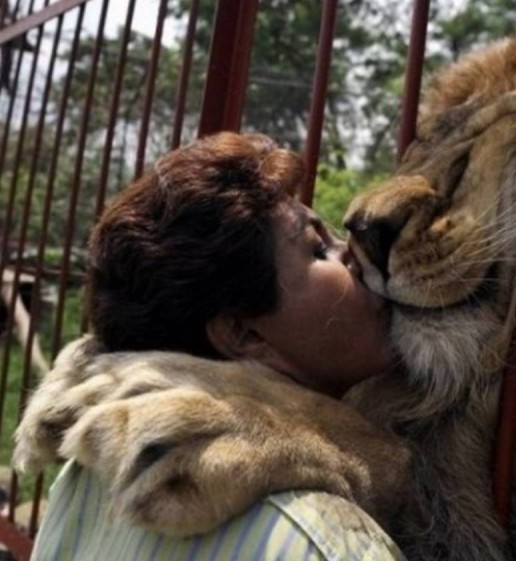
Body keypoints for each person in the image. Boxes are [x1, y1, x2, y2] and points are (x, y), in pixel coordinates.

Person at [20, 132, 408, 561]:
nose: (354, 255)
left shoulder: (86, 480)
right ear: (244, 336)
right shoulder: (326, 540)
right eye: (318, 249)